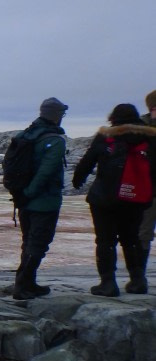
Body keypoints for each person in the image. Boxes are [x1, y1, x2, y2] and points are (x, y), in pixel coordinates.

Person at [72, 104, 155, 296]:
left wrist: (78, 180)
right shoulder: (150, 138)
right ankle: (138, 280)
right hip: (136, 198)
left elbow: (87, 161)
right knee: (131, 239)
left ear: (112, 118)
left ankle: (108, 283)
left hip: (104, 198)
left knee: (106, 240)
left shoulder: (106, 136)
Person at [12, 97, 69, 300]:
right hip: (44, 201)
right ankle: (23, 286)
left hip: (24, 200)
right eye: (61, 113)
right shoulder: (54, 140)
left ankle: (27, 282)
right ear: (56, 115)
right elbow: (46, 171)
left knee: (28, 241)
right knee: (39, 243)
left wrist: (22, 195)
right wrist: (30, 193)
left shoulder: (26, 135)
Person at [137, 89, 156, 287]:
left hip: (148, 189)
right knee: (143, 232)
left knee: (143, 232)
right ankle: (138, 275)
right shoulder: (140, 130)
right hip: (148, 189)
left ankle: (138, 276)